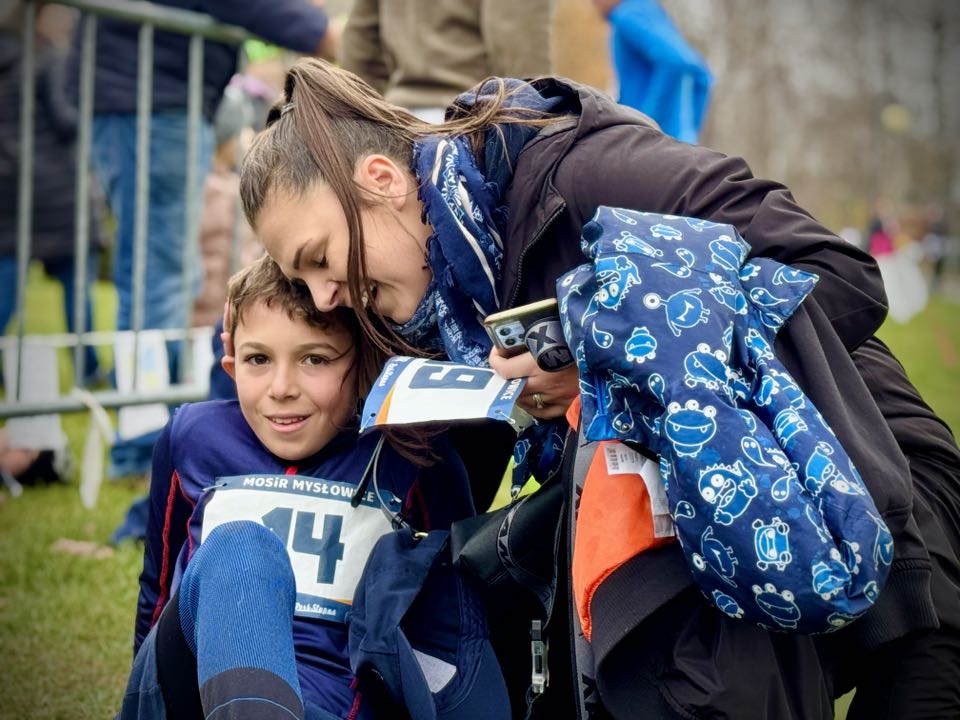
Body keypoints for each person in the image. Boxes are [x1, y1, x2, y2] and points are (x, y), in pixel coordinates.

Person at [234, 59, 960, 718]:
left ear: (383, 182)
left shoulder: (585, 172)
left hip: (867, 484)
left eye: (320, 259)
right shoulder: (446, 293)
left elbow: (841, 279)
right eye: (305, 281)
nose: (326, 297)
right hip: (709, 529)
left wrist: (607, 359)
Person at [119, 254, 477, 719]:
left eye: (314, 358)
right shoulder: (192, 437)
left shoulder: (412, 455)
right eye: (258, 359)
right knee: (241, 548)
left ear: (366, 359)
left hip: (334, 705)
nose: (281, 387)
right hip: (192, 695)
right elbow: (160, 593)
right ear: (230, 361)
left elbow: (453, 625)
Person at [68, 0, 339, 483]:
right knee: (158, 279)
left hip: (147, 93)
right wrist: (324, 34)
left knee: (165, 275)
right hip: (151, 97)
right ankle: (140, 444)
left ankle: (143, 437)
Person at [1, 3, 105, 382]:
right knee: (76, 283)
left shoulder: (11, 57)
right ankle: (88, 368)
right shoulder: (50, 59)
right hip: (57, 191)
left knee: (6, 282)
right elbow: (67, 120)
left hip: (10, 191)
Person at [340, 0, 553, 123]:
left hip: (399, 122)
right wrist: (532, 119)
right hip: (474, 123)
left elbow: (359, 42)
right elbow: (517, 42)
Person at [592, 0, 712, 143]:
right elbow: (701, 75)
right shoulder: (650, 11)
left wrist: (646, 125)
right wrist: (688, 133)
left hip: (649, 147)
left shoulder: (627, 15)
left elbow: (675, 62)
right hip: (677, 146)